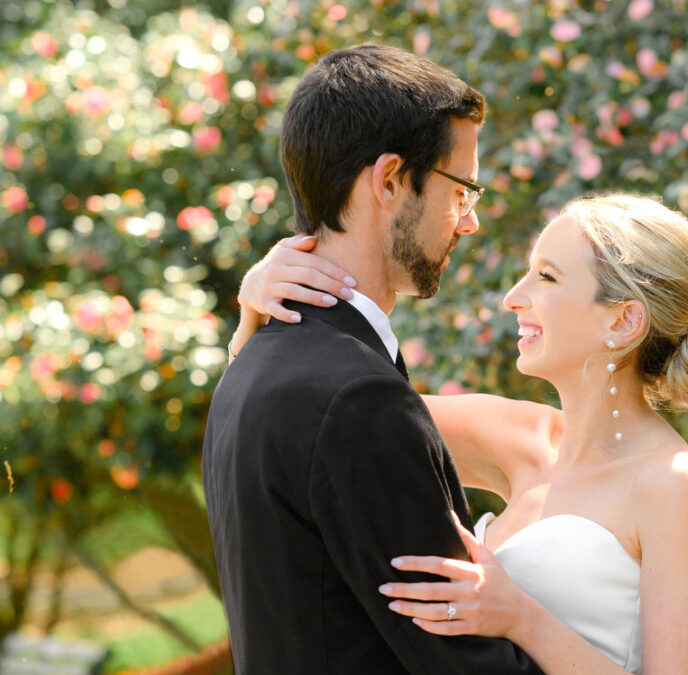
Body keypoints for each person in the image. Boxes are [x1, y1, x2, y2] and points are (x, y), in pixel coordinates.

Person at [234, 193, 688, 673]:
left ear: (624, 321)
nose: (514, 298)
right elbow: (316, 419)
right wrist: (256, 308)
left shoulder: (670, 481)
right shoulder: (515, 435)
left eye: (547, 277)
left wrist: (523, 620)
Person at [202, 44, 543, 674]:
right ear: (389, 179)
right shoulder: (357, 397)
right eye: (461, 190)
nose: (467, 223)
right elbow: (467, 664)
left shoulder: (246, 368)